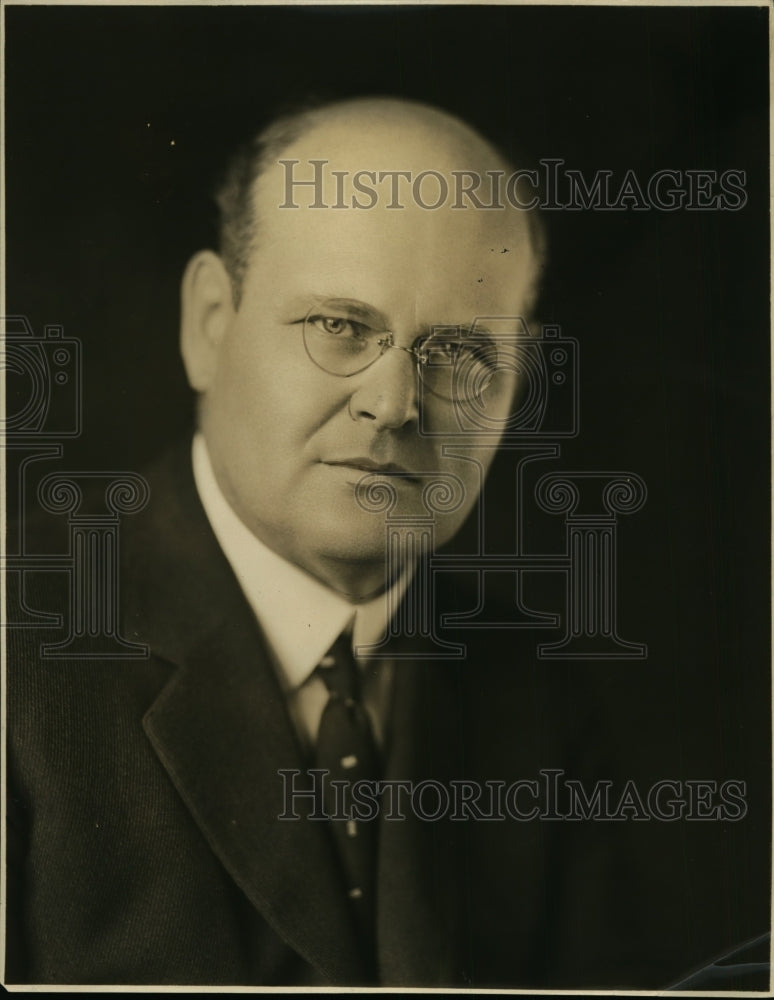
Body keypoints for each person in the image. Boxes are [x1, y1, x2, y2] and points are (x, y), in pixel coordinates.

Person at [5, 97, 751, 989]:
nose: (394, 403)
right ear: (210, 323)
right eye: (340, 328)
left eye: (462, 354)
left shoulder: (533, 686)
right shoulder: (24, 642)